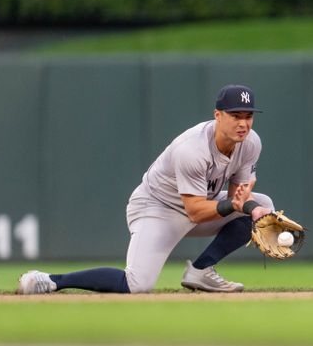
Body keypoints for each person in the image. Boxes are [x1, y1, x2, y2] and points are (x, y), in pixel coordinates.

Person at [16, 84, 274, 293]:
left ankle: (201, 271)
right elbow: (195, 211)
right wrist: (239, 205)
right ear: (218, 116)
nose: (243, 123)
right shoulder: (192, 149)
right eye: (235, 115)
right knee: (137, 284)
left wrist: (253, 209)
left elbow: (235, 198)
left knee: (265, 204)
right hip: (158, 208)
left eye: (248, 116)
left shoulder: (250, 143)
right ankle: (51, 280)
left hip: (201, 203)